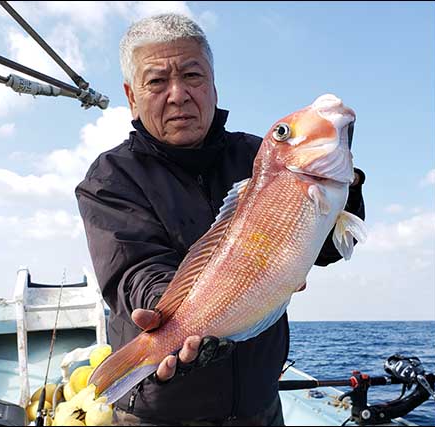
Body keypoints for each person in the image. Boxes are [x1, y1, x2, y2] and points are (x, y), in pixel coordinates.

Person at [75, 13, 366, 426]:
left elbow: (331, 251)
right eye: (157, 81)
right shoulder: (110, 178)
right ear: (131, 95)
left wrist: (346, 184)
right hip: (162, 412)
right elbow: (132, 270)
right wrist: (175, 321)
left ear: (213, 83)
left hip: (258, 406)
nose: (178, 95)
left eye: (192, 76)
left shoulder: (257, 157)